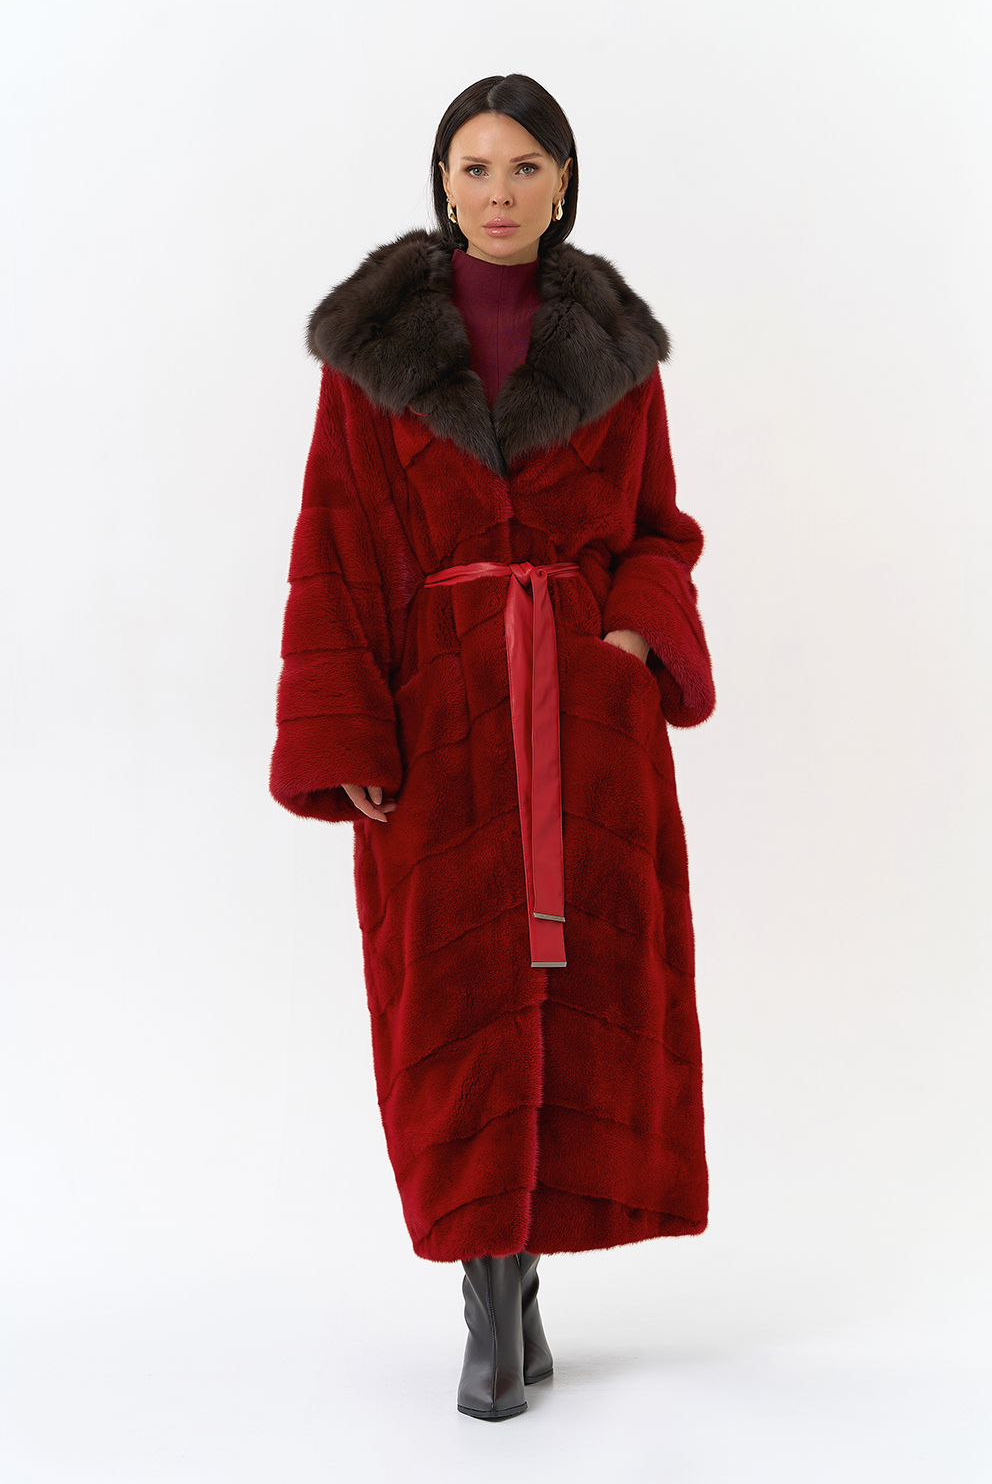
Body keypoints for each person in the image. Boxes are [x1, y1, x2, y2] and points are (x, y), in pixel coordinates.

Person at [269, 73, 716, 1421]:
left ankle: (520, 1284)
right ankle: (486, 1290)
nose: (500, 190)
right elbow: (334, 548)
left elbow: (659, 531)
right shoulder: (373, 356)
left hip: (585, 722)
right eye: (476, 167)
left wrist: (628, 644)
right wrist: (350, 726)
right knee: (449, 1004)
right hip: (438, 722)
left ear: (563, 183)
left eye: (525, 166)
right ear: (443, 183)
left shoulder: (617, 354)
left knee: (577, 1005)